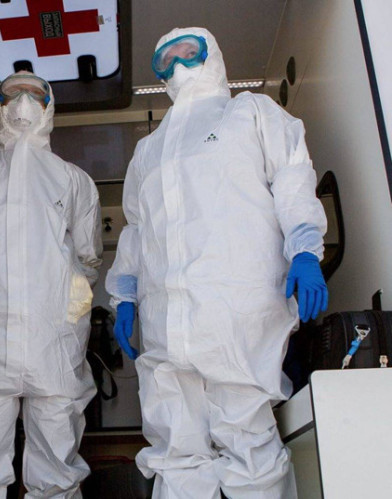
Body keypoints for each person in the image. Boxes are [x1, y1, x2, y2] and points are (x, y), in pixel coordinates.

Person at [106, 27, 328, 499]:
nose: (180, 65)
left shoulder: (250, 112)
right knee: (174, 446)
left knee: (247, 437)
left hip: (236, 309)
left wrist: (305, 249)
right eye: (167, 60)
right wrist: (124, 294)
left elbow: (292, 180)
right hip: (166, 319)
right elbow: (137, 229)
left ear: (213, 55)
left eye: (190, 52)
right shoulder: (149, 149)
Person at [0, 71, 103, 498]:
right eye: (12, 93)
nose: (23, 101)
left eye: (34, 93)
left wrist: (70, 320)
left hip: (53, 341)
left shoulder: (73, 179)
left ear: (49, 106)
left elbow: (87, 261)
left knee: (57, 456)